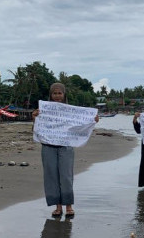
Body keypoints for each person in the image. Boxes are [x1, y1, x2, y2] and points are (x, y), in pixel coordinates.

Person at [32, 82, 99, 218]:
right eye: (54, 93)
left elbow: (79, 125)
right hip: (48, 147)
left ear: (64, 94)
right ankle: (57, 207)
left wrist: (92, 120)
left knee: (66, 176)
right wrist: (35, 118)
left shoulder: (70, 111)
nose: (57, 96)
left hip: (66, 147)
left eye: (59, 93)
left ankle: (68, 206)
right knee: (51, 176)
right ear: (50, 95)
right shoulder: (43, 110)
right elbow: (37, 129)